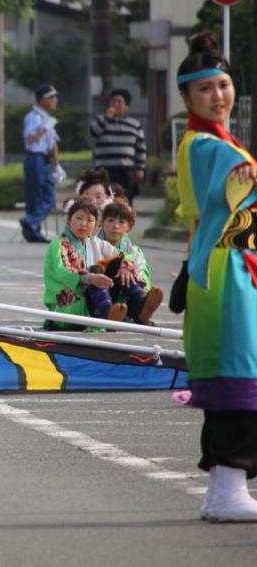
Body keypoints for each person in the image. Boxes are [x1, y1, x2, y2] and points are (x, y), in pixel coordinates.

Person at [172, 31, 257, 522]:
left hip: (225, 270)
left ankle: (221, 490)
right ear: (186, 98)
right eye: (205, 88)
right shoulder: (207, 146)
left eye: (223, 85)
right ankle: (228, 488)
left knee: (234, 378)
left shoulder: (214, 143)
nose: (217, 96)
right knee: (238, 379)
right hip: (227, 273)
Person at [43, 197, 125, 329]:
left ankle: (138, 305)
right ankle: (106, 312)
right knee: (95, 271)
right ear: (69, 220)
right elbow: (64, 271)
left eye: (89, 220)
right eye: (79, 218)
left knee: (119, 264)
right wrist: (90, 278)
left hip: (90, 298)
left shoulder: (94, 242)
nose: (83, 224)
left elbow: (120, 255)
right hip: (66, 303)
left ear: (97, 225)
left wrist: (125, 266)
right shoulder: (59, 243)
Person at [99, 201, 163, 324]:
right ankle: (126, 312)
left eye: (122, 222)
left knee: (132, 278)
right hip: (104, 293)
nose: (115, 226)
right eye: (110, 220)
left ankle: (141, 306)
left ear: (129, 227)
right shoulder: (92, 244)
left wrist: (131, 272)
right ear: (101, 223)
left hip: (127, 298)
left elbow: (142, 273)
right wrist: (122, 265)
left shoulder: (134, 251)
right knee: (117, 264)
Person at [90, 88, 147, 202]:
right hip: (104, 170)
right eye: (113, 101)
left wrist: (140, 168)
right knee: (104, 200)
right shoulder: (101, 120)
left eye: (119, 101)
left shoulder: (134, 124)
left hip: (125, 170)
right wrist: (106, 118)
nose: (115, 104)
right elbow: (93, 132)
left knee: (125, 200)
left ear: (126, 106)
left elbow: (140, 148)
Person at [21, 84, 61, 243]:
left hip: (45, 160)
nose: (55, 100)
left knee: (49, 199)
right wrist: (44, 129)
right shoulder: (34, 117)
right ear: (43, 100)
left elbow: (53, 145)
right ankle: (33, 230)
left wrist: (56, 166)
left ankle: (31, 222)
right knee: (35, 197)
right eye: (52, 97)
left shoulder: (47, 119)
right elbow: (29, 139)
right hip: (35, 158)